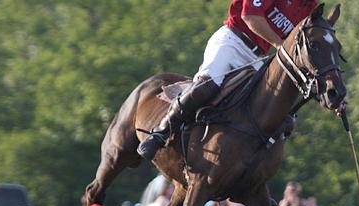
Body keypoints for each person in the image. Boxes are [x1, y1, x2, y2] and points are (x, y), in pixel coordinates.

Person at [137, 0, 320, 160]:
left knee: (277, 116)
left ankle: (250, 177)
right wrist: (281, 46)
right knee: (207, 86)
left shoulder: (310, 7)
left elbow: (309, 47)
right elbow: (250, 17)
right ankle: (161, 133)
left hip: (258, 58)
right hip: (232, 40)